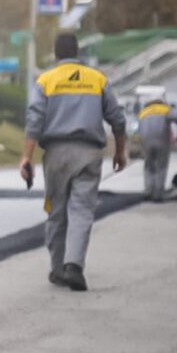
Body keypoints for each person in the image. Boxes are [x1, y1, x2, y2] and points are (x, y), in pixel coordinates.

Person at [21, 33, 128, 292]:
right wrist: (120, 152)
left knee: (56, 212)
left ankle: (58, 270)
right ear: (77, 52)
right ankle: (74, 267)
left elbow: (34, 120)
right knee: (81, 210)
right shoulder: (98, 79)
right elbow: (118, 119)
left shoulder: (46, 80)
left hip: (56, 154)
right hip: (89, 154)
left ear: (56, 54)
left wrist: (27, 156)